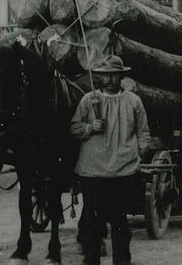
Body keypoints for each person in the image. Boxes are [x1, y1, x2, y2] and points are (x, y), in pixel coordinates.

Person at [69, 55, 150, 265]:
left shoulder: (133, 101)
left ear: (121, 76)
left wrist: (138, 154)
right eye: (105, 75)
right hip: (92, 171)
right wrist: (90, 128)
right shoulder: (89, 100)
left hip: (122, 172)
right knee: (92, 223)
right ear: (99, 77)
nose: (110, 79)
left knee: (119, 222)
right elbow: (74, 128)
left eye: (114, 75)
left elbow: (143, 133)